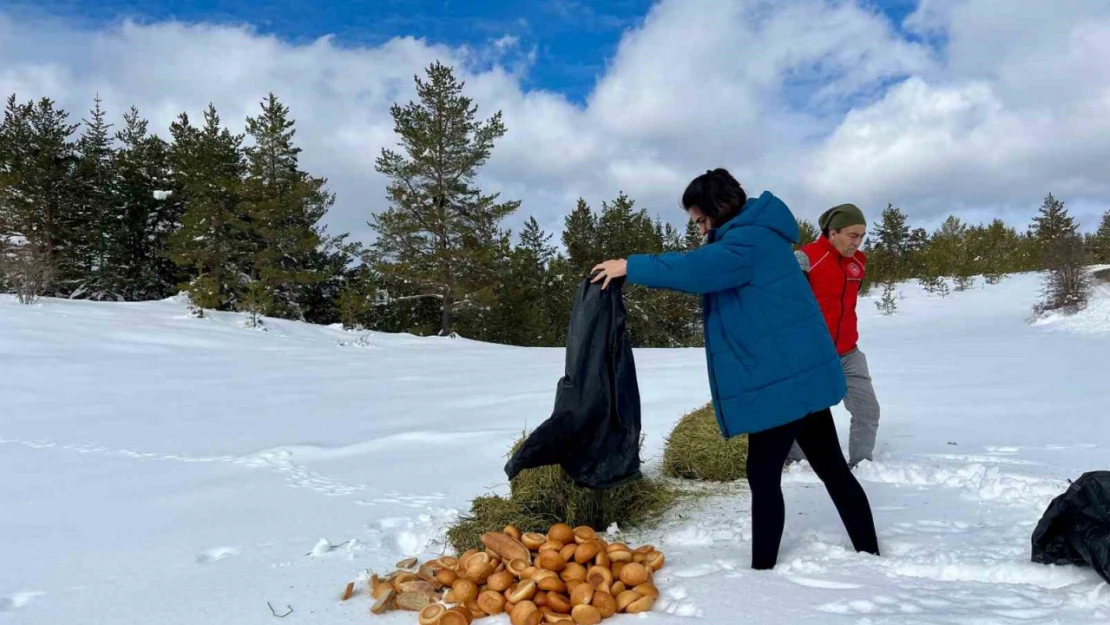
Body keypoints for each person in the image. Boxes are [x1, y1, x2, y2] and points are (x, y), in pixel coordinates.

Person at [591, 169, 879, 570]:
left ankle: (762, 573)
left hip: (780, 382)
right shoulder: (759, 235)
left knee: (762, 476)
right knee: (831, 467)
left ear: (715, 211)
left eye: (699, 220)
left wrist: (629, 266)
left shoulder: (746, 243)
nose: (697, 229)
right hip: (800, 374)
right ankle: (870, 552)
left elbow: (694, 270)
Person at [787, 204, 881, 468]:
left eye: (862, 235)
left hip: (848, 352)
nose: (858, 242)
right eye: (853, 235)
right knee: (801, 412)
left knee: (867, 409)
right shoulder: (805, 258)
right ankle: (797, 462)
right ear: (832, 232)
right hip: (811, 355)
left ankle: (862, 464)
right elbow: (788, 308)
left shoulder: (858, 262)